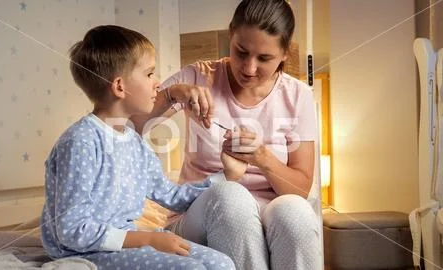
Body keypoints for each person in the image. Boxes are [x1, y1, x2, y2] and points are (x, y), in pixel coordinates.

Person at [131, 0, 322, 269]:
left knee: (296, 212)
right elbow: (127, 123)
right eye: (241, 52)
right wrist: (174, 93)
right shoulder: (197, 76)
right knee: (231, 197)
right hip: (198, 214)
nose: (249, 68)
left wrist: (263, 158)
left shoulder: (298, 96)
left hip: (270, 211)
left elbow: (300, 189)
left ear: (284, 54)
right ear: (231, 35)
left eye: (264, 58)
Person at [40, 25, 238, 270]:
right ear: (120, 86)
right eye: (149, 74)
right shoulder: (81, 142)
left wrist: (225, 176)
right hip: (87, 250)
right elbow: (71, 230)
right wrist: (147, 238)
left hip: (127, 241)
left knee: (223, 263)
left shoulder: (134, 142)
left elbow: (172, 197)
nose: (157, 84)